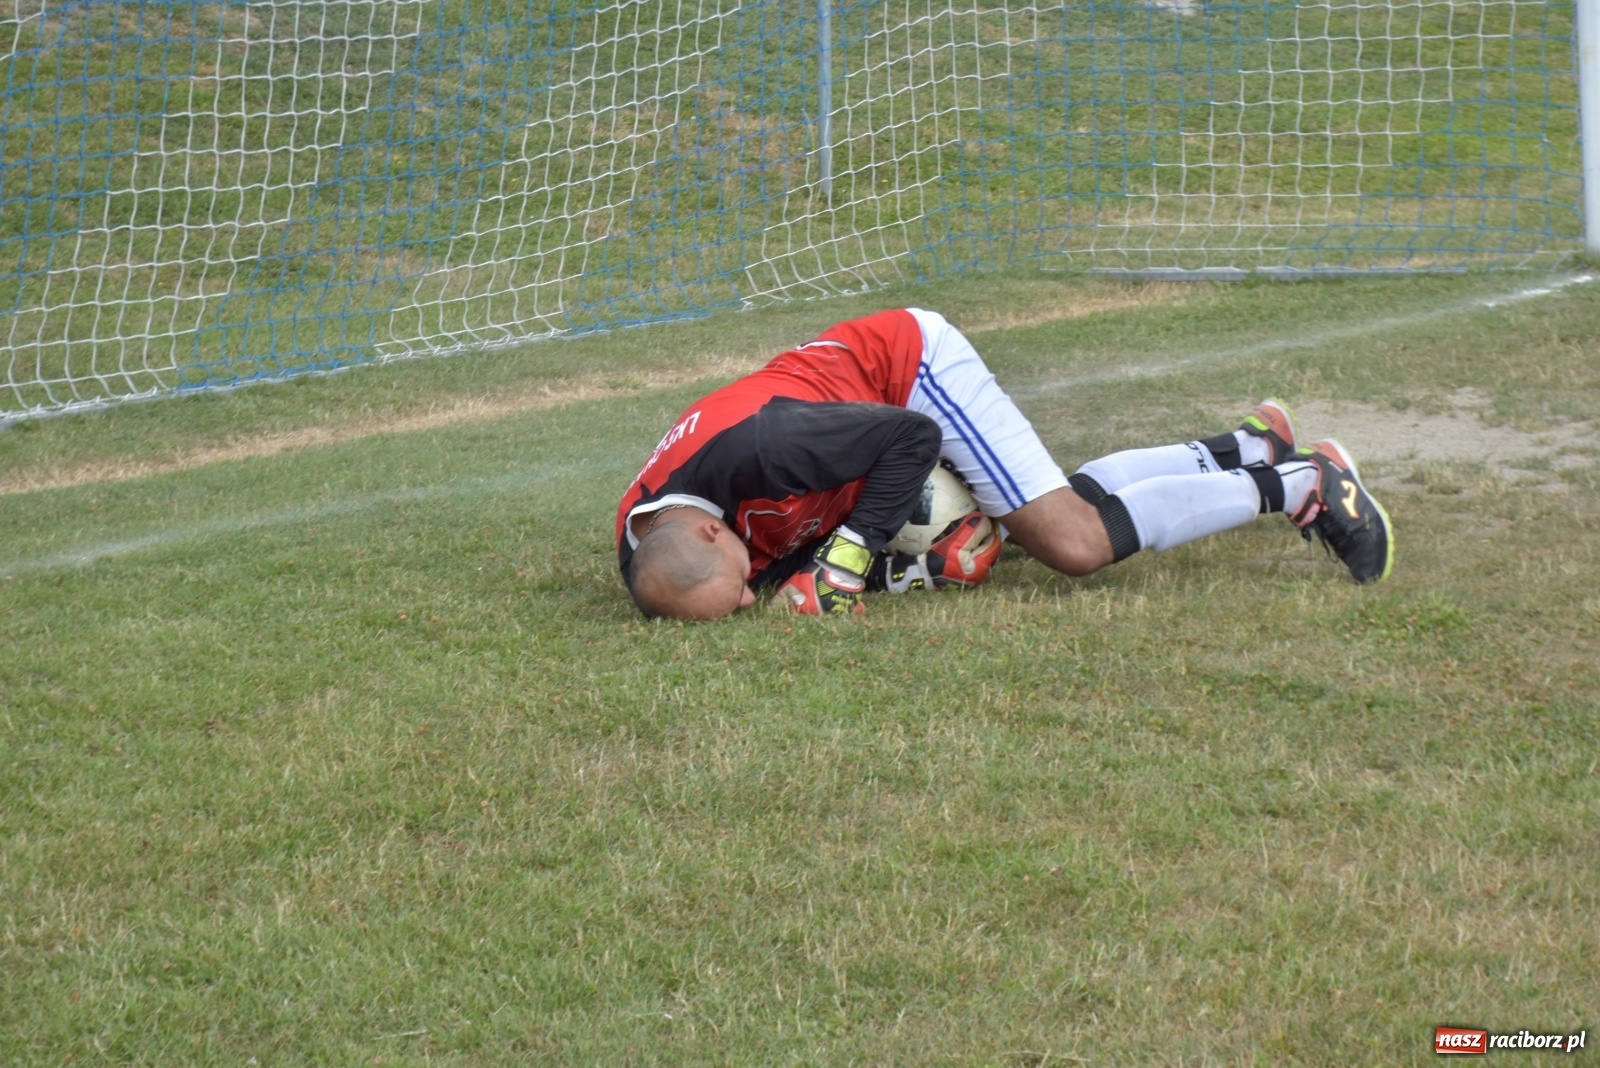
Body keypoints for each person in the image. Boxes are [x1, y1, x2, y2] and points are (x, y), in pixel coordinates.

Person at [615, 308, 1392, 620]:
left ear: (714, 537)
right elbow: (771, 563)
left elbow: (909, 438)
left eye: (738, 589)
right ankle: (1249, 448)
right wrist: (916, 568)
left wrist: (851, 561)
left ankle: (1302, 484)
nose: (748, 603)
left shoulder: (766, 450)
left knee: (1071, 540)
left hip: (909, 374)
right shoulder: (651, 541)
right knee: (1029, 517)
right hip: (863, 429)